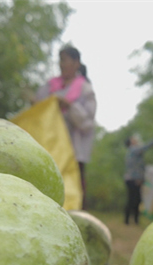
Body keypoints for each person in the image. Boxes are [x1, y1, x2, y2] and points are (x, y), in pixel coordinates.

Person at [36, 45, 97, 209]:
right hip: (50, 146)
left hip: (74, 150)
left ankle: (77, 218)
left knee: (74, 184)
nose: (61, 64)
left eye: (65, 60)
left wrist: (69, 106)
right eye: (60, 60)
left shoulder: (85, 88)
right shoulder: (50, 86)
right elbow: (37, 109)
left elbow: (88, 123)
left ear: (76, 63)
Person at [124, 134, 153, 225]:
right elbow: (144, 148)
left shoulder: (131, 151)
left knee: (135, 199)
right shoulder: (133, 150)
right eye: (133, 139)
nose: (136, 140)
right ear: (131, 142)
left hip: (132, 179)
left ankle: (133, 220)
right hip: (134, 179)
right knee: (134, 200)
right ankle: (131, 220)